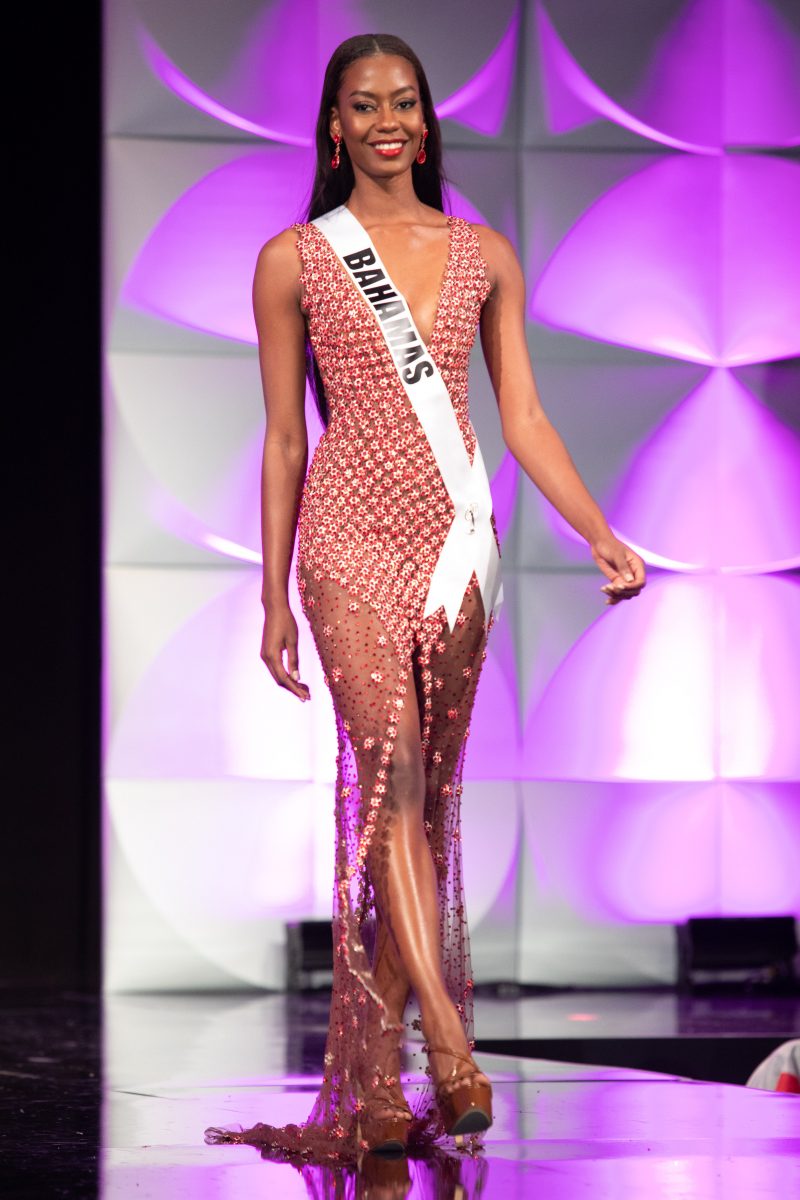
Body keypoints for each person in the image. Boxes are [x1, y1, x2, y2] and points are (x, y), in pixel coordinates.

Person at [205, 32, 646, 1165]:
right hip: (345, 540)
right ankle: (448, 1047)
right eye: (365, 104)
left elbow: (524, 417)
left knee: (423, 805)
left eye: (404, 101)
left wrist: (597, 532)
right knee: (390, 777)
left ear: (424, 118)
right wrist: (270, 595)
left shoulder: (482, 253)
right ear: (335, 125)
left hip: (454, 545)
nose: (388, 120)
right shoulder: (292, 259)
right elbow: (278, 442)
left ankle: (371, 1085)